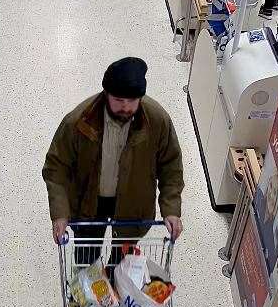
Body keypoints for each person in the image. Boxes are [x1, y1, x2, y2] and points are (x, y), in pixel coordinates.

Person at [42, 58, 184, 250]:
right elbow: (55, 167)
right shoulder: (79, 121)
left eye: (132, 100)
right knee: (86, 258)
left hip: (133, 203)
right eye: (118, 100)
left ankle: (115, 275)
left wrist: (171, 209)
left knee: (122, 259)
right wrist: (60, 213)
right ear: (106, 94)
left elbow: (171, 166)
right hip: (89, 203)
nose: (125, 107)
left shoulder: (157, 122)